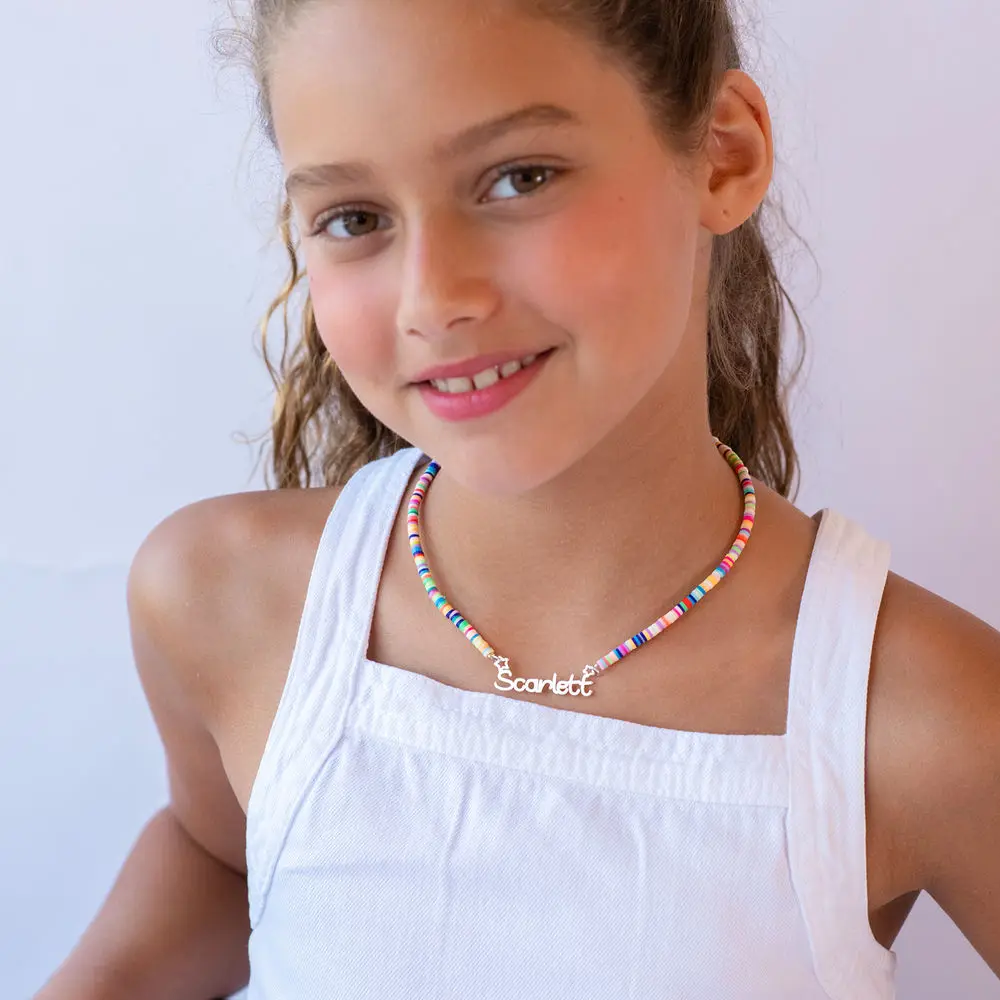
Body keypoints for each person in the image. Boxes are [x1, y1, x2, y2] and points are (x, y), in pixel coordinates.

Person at [35, 0, 1000, 997]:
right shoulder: (224, 602)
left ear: (723, 155)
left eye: (519, 178)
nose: (433, 298)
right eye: (356, 219)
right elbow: (224, 857)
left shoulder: (920, 718)